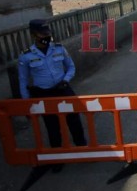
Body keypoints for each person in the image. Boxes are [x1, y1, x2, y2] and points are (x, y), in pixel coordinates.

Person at [18, 19, 86, 171]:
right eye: (42, 33)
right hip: (44, 93)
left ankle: (82, 149)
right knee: (52, 125)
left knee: (74, 119)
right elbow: (22, 81)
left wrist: (66, 80)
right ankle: (57, 157)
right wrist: (26, 103)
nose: (46, 36)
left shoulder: (59, 48)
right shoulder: (26, 56)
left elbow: (71, 67)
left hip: (62, 88)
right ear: (33, 34)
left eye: (47, 33)